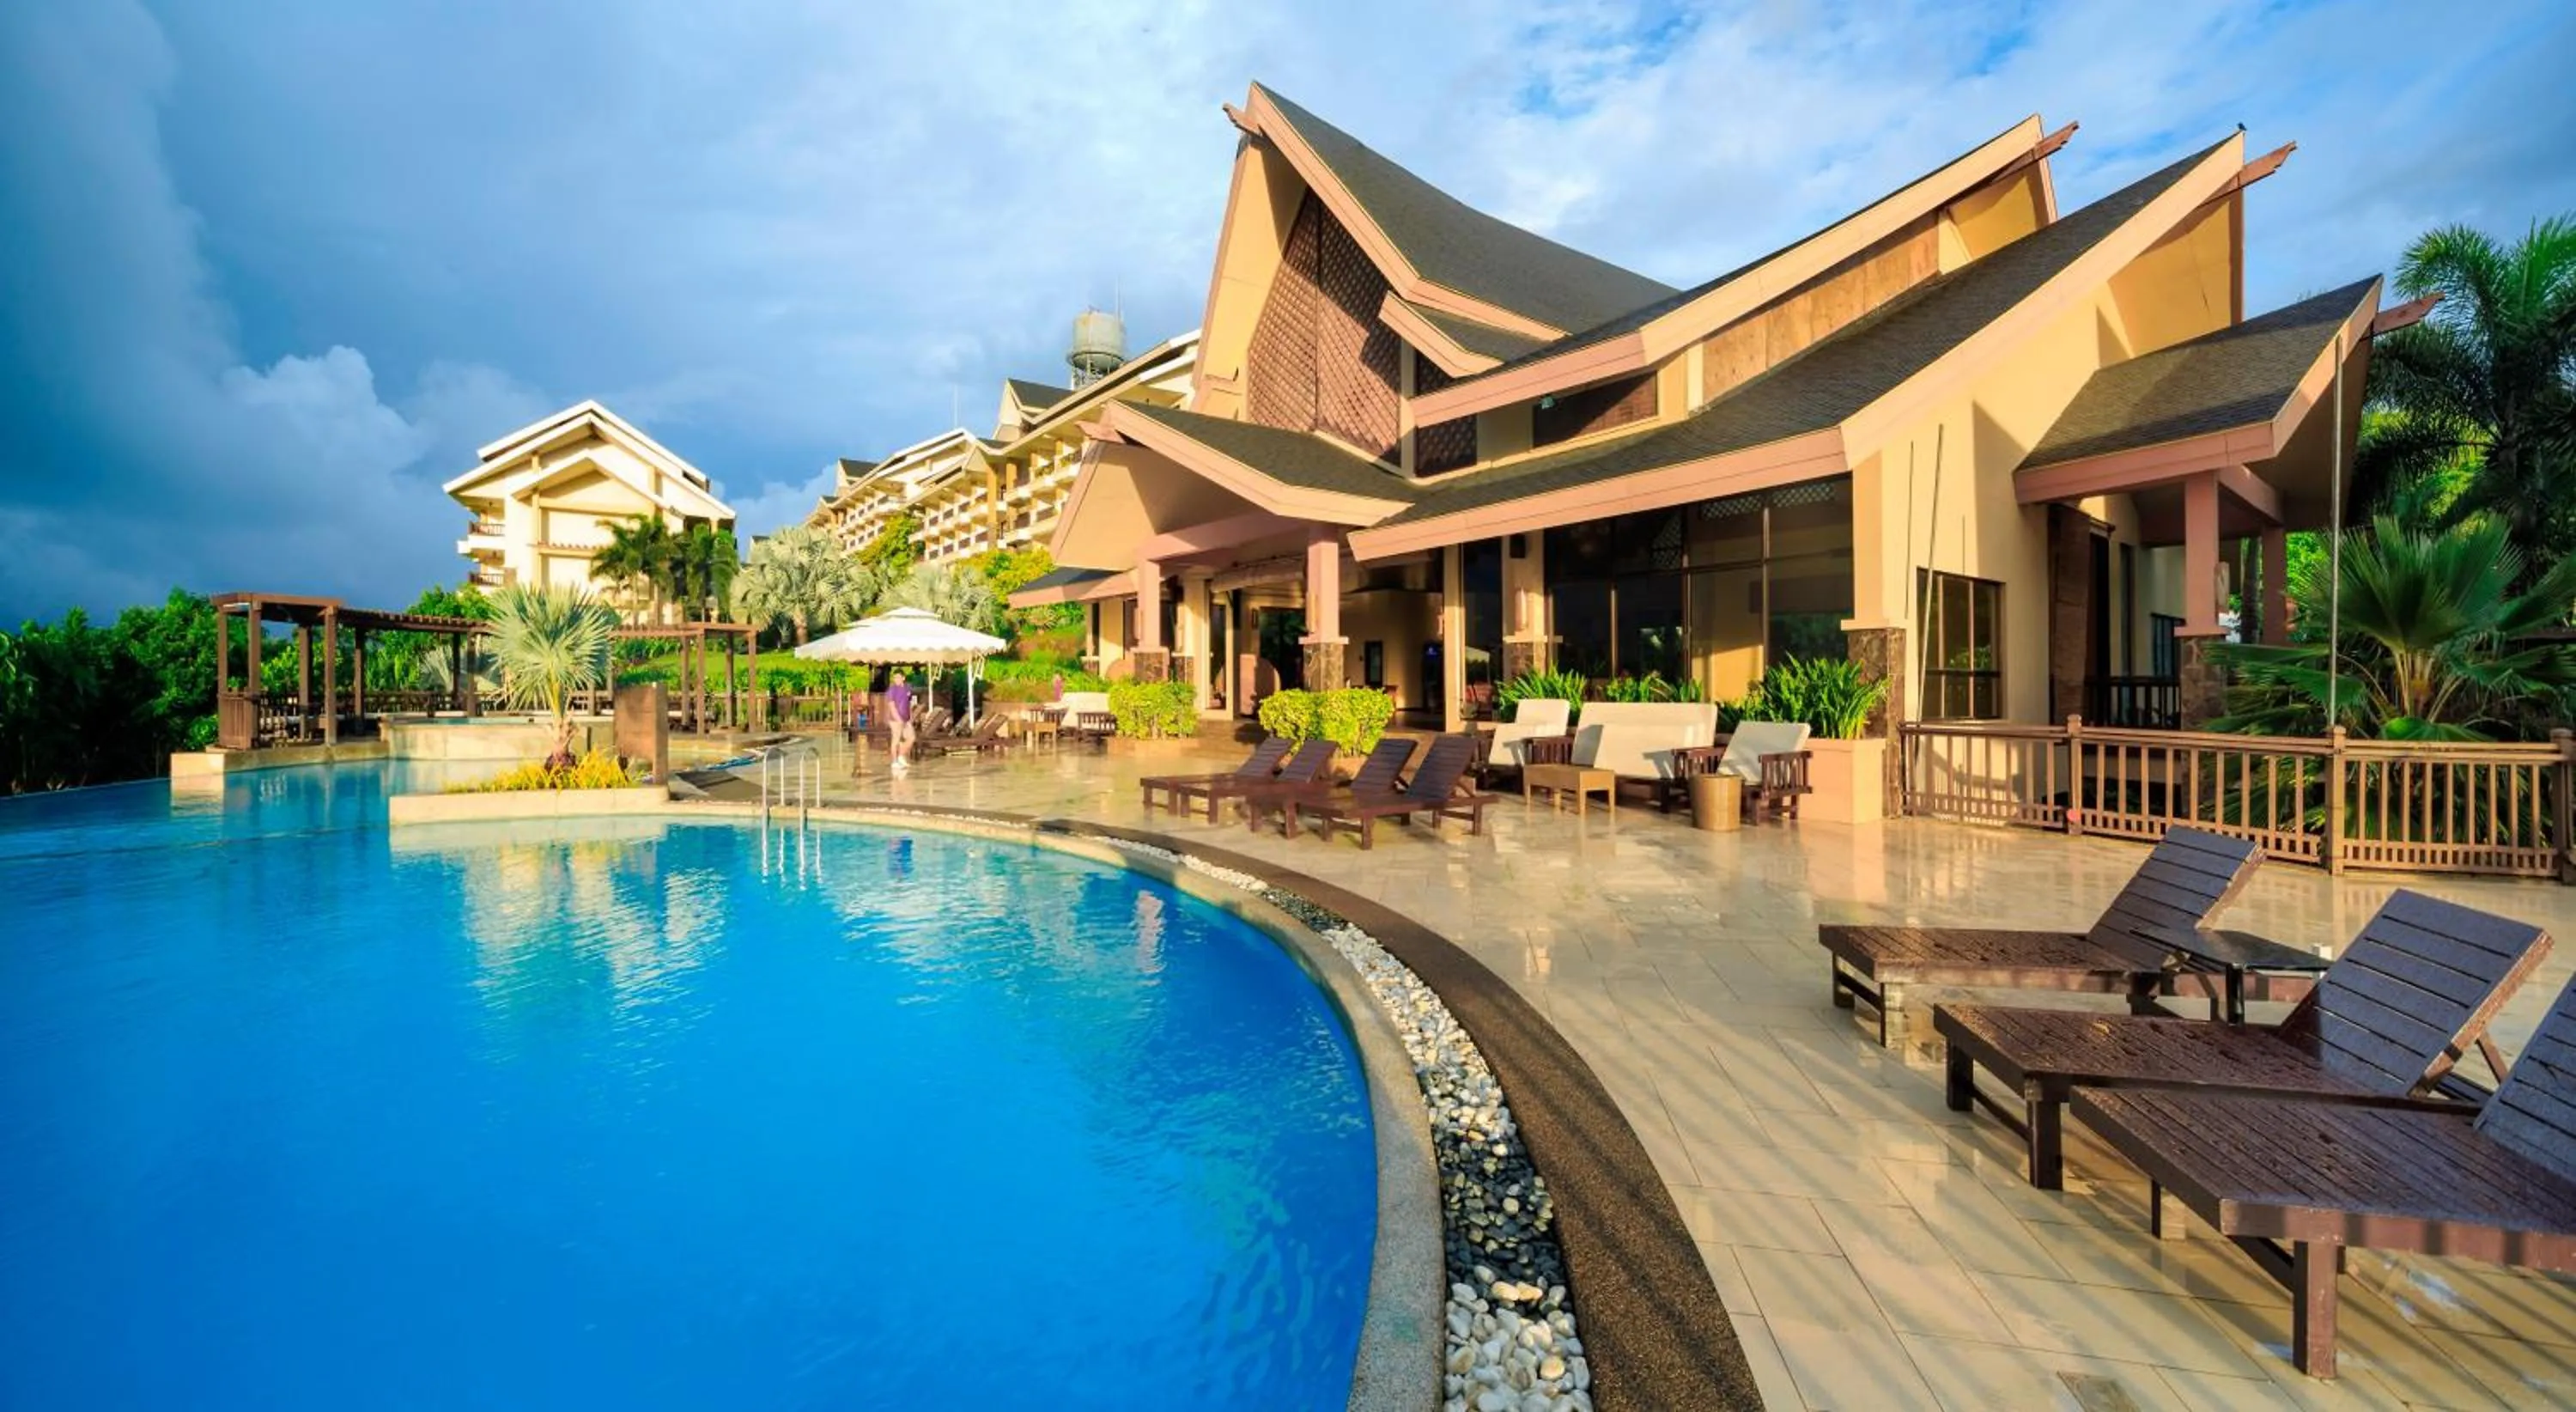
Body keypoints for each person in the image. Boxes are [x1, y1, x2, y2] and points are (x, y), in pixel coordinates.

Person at [885, 671, 914, 770]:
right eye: (895, 678)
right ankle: (894, 762)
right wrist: (899, 720)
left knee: (911, 738)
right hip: (895, 719)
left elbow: (909, 703)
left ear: (903, 678)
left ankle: (901, 756)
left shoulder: (908, 688)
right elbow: (892, 706)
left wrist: (911, 717)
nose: (896, 679)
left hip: (906, 719)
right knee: (896, 740)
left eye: (898, 677)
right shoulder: (892, 690)